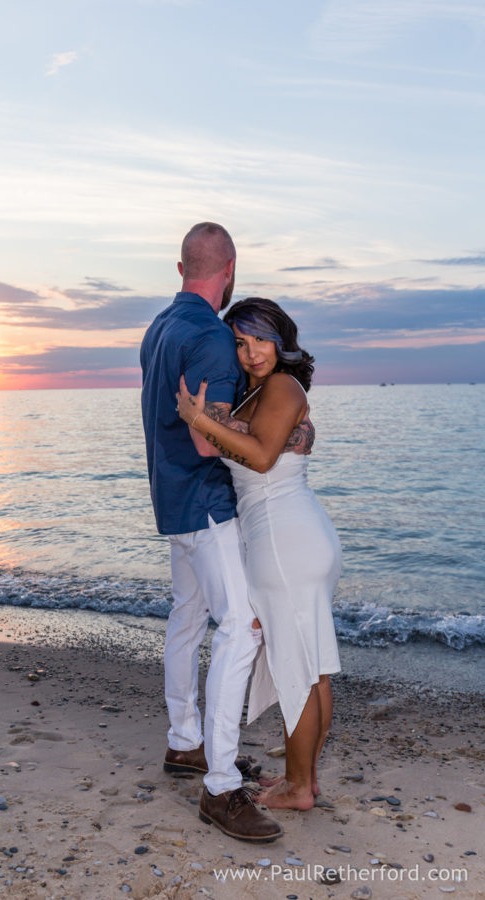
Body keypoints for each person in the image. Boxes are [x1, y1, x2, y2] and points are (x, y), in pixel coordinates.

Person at [140, 225, 282, 841]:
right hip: (203, 503)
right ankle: (220, 785)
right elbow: (206, 437)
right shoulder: (211, 338)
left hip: (171, 498)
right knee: (242, 628)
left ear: (182, 269)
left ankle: (184, 743)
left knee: (188, 617)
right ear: (229, 268)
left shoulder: (159, 328)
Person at [177, 296, 341, 810]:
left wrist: (198, 420)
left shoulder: (282, 386)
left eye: (262, 340)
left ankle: (297, 789)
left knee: (298, 668)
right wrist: (209, 419)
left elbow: (264, 457)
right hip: (291, 535)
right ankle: (304, 780)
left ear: (282, 340)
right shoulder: (255, 394)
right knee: (310, 666)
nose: (252, 353)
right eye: (241, 342)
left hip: (284, 540)